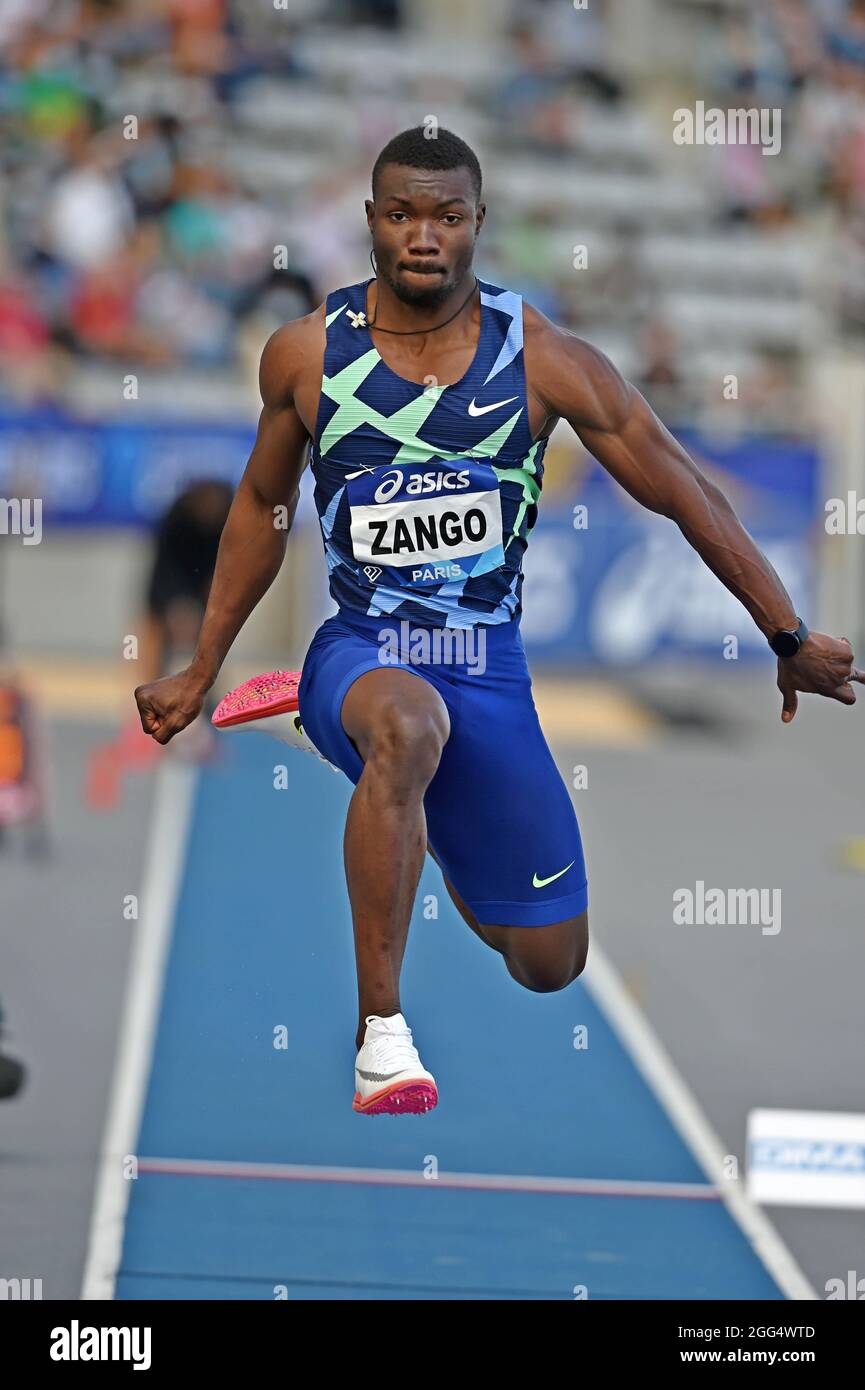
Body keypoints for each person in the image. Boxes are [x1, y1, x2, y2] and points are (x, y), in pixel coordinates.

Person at [134, 128, 864, 1116]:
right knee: (403, 727)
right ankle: (381, 1036)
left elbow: (680, 489)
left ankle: (404, 806)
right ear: (371, 222)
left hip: (485, 670)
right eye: (402, 214)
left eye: (445, 216)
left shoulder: (548, 362)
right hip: (365, 650)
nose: (422, 236)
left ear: (478, 223)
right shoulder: (307, 355)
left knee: (548, 961)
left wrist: (785, 632)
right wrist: (200, 662)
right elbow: (262, 511)